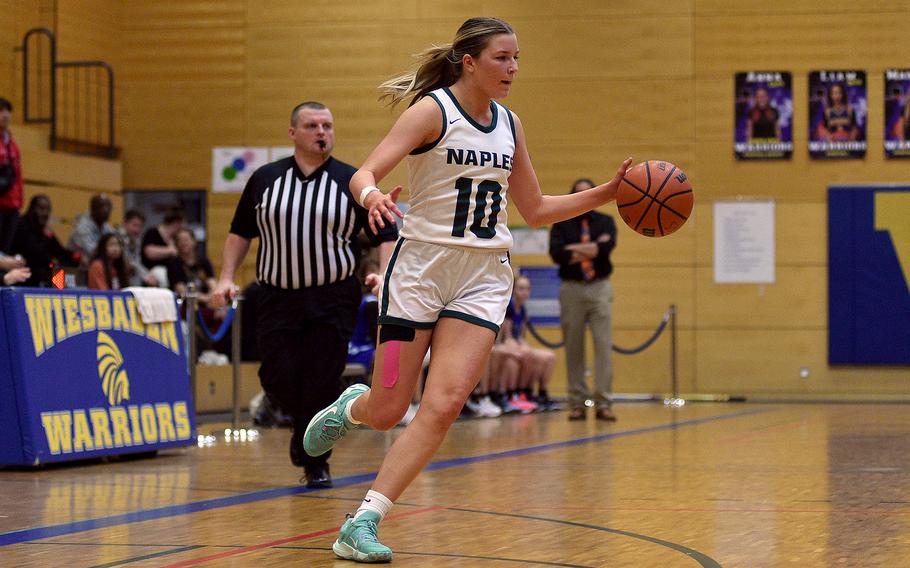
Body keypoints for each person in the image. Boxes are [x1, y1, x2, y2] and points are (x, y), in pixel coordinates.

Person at [301, 17, 631, 563]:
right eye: (503, 57)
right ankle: (353, 407)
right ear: (470, 62)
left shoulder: (510, 124)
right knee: (389, 407)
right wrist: (371, 198)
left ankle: (363, 521)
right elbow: (365, 172)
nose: (513, 68)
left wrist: (607, 193)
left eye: (518, 58)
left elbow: (535, 209)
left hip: (482, 277)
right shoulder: (433, 111)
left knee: (446, 402)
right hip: (420, 272)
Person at [210, 101, 399, 490]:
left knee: (321, 378)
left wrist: (384, 274)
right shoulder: (265, 179)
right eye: (312, 125)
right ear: (293, 133)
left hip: (333, 296)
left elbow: (385, 233)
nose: (322, 132)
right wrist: (225, 277)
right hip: (277, 296)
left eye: (327, 125)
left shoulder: (351, 181)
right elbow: (239, 232)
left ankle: (315, 461)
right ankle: (304, 430)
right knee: (275, 376)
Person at [549, 178, 618, 422]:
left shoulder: (605, 222)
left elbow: (605, 251)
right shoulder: (561, 223)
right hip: (571, 289)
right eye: (578, 194)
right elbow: (557, 255)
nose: (583, 198)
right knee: (573, 347)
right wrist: (591, 249)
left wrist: (574, 250)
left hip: (599, 287)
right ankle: (577, 402)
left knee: (603, 346)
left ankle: (604, 402)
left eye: (588, 194)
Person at [501, 274, 556, 410]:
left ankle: (540, 394)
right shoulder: (510, 307)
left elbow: (520, 336)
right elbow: (507, 336)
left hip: (516, 343)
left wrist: (524, 345)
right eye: (520, 288)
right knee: (526, 355)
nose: (524, 292)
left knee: (549, 357)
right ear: (513, 290)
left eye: (527, 289)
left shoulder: (523, 309)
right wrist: (521, 347)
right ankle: (516, 395)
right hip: (505, 344)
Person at [10, 195, 80, 287]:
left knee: (62, 271)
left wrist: (75, 256)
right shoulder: (19, 227)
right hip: (21, 280)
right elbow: (34, 253)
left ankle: (59, 293)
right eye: (42, 209)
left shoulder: (45, 231)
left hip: (42, 279)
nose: (45, 213)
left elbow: (60, 252)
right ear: (31, 209)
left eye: (48, 210)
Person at [0, 97, 23, 252]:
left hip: (12, 205)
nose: (5, 115)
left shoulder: (13, 144)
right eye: (1, 111)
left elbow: (18, 175)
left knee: (5, 250)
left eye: (8, 111)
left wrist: (19, 200)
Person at [141, 205, 184, 287]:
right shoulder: (153, 232)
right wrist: (170, 251)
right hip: (152, 274)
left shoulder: (174, 238)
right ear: (176, 223)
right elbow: (149, 252)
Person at [68, 194, 114, 263]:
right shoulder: (82, 227)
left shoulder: (105, 226)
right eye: (103, 207)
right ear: (93, 209)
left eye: (108, 208)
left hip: (93, 266)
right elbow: (92, 252)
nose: (106, 211)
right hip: (74, 268)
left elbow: (114, 243)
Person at [119, 209, 157, 286]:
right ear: (124, 223)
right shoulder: (116, 237)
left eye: (140, 226)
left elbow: (136, 261)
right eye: (134, 225)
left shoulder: (136, 240)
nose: (137, 230)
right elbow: (127, 262)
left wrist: (148, 275)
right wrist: (145, 275)